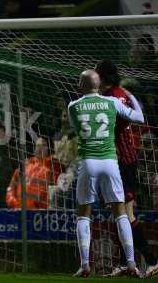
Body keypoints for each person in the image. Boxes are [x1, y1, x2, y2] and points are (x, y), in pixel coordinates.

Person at [68, 69, 144, 277]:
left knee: (84, 213)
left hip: (88, 161)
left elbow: (77, 129)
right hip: (110, 161)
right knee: (120, 212)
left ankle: (85, 265)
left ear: (81, 85)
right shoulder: (111, 103)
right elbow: (139, 117)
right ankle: (131, 263)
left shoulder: (73, 106)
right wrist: (131, 97)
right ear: (98, 83)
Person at [95, 59, 158, 278]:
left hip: (122, 160)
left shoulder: (115, 97)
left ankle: (151, 260)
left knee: (125, 213)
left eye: (97, 74)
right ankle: (124, 263)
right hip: (120, 159)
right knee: (118, 213)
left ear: (103, 77)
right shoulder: (115, 94)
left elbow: (117, 124)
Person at [6, 137, 56, 210]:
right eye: (38, 146)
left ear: (49, 148)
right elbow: (12, 186)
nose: (40, 148)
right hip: (19, 210)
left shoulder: (52, 167)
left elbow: (54, 192)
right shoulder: (25, 164)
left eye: (43, 145)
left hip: (40, 213)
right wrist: (13, 202)